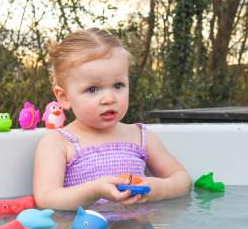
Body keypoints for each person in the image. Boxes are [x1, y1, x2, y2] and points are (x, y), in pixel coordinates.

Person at [33, 28, 191, 210]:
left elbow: (182, 179)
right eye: (92, 89)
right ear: (64, 97)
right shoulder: (58, 142)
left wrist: (161, 189)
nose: (109, 98)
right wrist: (93, 191)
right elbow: (46, 198)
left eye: (118, 85)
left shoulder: (140, 136)